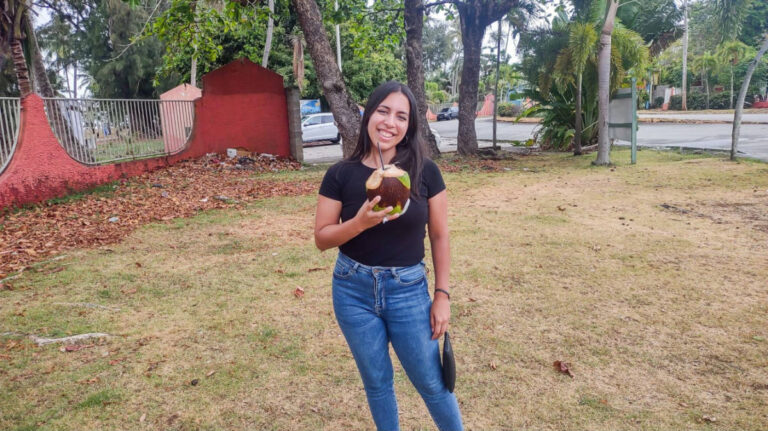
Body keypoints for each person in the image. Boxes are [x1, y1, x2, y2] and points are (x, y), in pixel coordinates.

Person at [314, 81, 463, 431]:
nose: (389, 122)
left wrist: (442, 295)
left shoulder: (425, 171)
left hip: (408, 290)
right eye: (383, 111)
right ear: (368, 113)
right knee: (377, 383)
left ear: (409, 125)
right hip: (352, 291)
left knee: (432, 383)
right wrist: (360, 223)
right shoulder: (340, 175)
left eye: (401, 116)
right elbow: (322, 238)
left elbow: (439, 235)